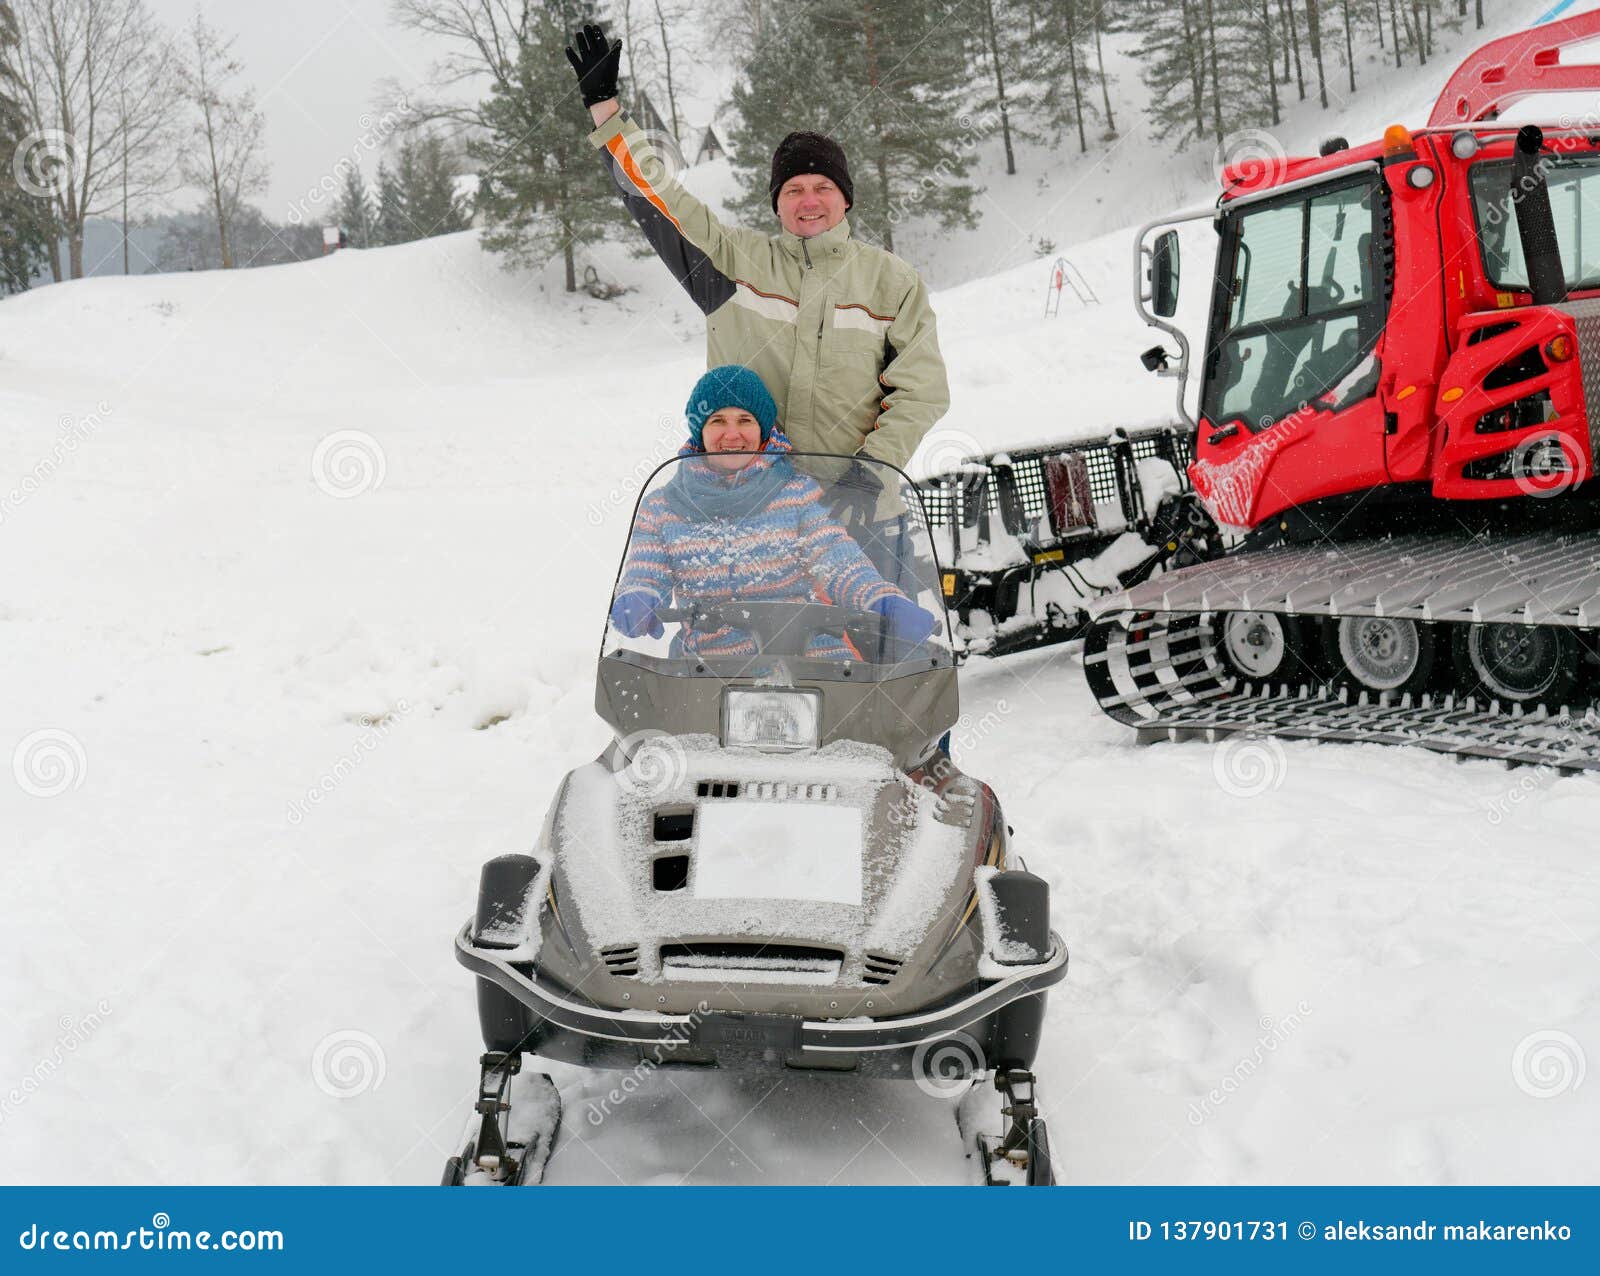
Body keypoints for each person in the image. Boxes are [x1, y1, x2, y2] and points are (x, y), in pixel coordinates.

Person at [565, 23, 950, 473]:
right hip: (751, 516)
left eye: (823, 186)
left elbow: (921, 389)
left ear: (846, 198)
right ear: (777, 205)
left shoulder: (893, 283)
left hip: (859, 515)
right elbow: (661, 197)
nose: (809, 201)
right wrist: (604, 109)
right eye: (793, 190)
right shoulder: (733, 263)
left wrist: (870, 474)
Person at [610, 365, 938, 661]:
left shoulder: (795, 494)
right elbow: (646, 569)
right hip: (709, 670)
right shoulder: (662, 508)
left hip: (810, 665)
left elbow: (840, 563)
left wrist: (881, 600)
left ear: (763, 429)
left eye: (745, 420)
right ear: (700, 432)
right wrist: (640, 595)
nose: (732, 434)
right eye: (717, 421)